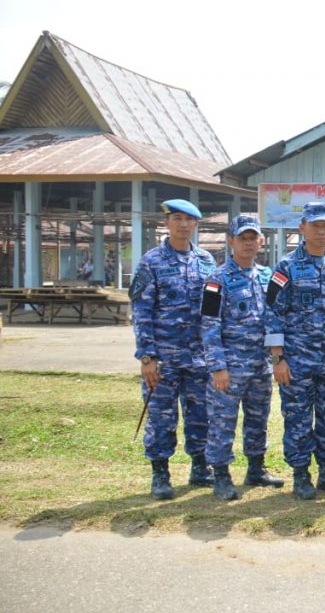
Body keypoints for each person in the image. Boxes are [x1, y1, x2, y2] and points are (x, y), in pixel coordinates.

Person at [130, 198, 216, 500]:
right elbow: (141, 312)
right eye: (177, 219)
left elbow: (214, 311)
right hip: (164, 358)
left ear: (196, 224)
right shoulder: (150, 262)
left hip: (200, 357)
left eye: (189, 220)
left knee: (201, 415)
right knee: (162, 417)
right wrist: (147, 356)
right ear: (166, 222)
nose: (183, 225)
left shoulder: (206, 261)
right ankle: (160, 474)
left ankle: (200, 467)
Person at [264, 201, 325, 500]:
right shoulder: (286, 266)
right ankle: (301, 474)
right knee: (298, 418)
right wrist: (278, 358)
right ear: (302, 228)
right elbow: (272, 313)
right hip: (297, 361)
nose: (321, 230)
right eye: (315, 225)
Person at [200, 215, 284, 500]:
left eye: (253, 238)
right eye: (242, 238)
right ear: (231, 241)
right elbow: (209, 324)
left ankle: (256, 469)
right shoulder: (216, 279)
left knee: (258, 418)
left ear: (261, 241)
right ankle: (221, 475)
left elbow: (273, 319)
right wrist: (218, 366)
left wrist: (275, 359)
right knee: (223, 421)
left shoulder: (267, 276)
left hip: (260, 365)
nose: (248, 244)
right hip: (230, 366)